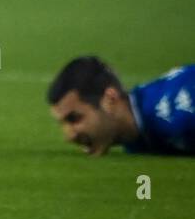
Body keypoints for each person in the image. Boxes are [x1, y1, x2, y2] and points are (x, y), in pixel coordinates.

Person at [47, 56, 194, 156]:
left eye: (74, 119)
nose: (69, 136)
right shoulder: (140, 132)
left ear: (110, 99)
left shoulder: (178, 116)